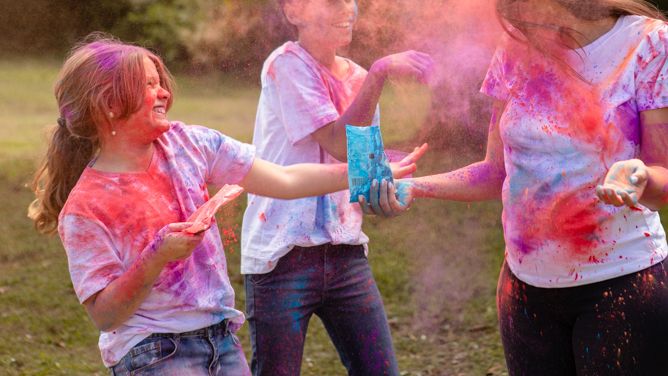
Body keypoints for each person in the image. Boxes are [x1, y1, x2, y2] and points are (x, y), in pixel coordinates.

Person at [369, 0, 668, 376]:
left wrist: (639, 175)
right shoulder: (516, 49)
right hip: (524, 293)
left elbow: (664, 184)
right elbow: (493, 170)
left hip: (625, 288)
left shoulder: (651, 44)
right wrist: (415, 186)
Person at [27, 34, 423, 375]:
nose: (164, 91)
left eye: (160, 81)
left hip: (222, 340)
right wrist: (157, 255)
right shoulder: (86, 206)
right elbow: (105, 315)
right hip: (153, 352)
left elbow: (285, 179)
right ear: (109, 104)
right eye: (149, 85)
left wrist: (365, 171)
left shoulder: (189, 144)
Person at [240, 0, 434, 376]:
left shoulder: (361, 79)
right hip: (281, 258)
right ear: (293, 9)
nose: (349, 8)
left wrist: (389, 196)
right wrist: (382, 72)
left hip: (346, 256)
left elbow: (362, 177)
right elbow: (338, 144)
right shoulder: (284, 66)